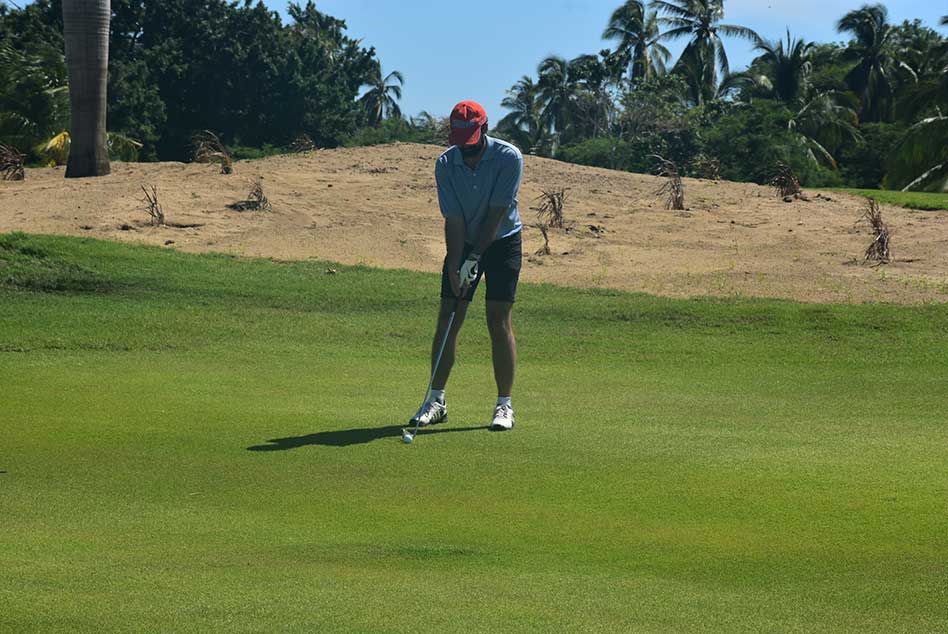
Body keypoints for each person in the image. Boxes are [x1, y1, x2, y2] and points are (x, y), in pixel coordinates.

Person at [410, 100, 524, 432]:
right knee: (448, 316)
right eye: (460, 143)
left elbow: (496, 213)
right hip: (464, 240)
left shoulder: (509, 158)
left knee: (497, 320)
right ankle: (436, 401)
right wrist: (454, 264)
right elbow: (455, 219)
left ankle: (504, 405)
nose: (466, 150)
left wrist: (475, 259)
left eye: (471, 142)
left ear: (485, 129)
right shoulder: (446, 164)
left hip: (502, 240)